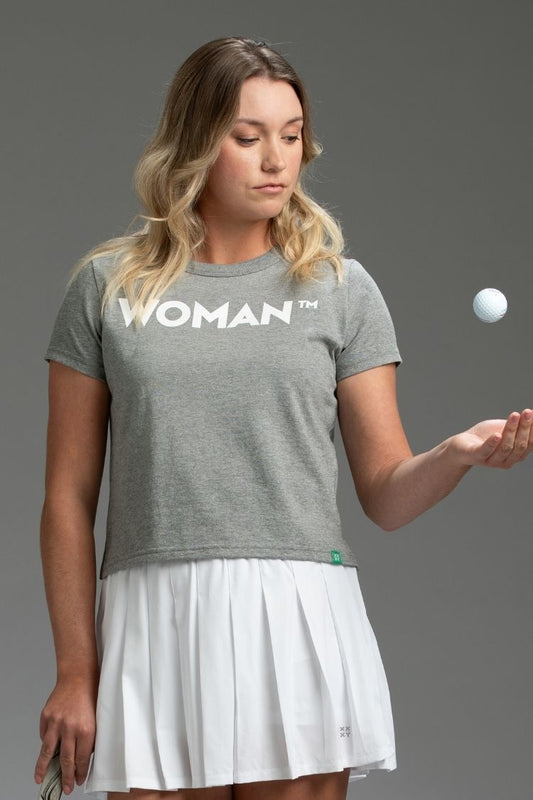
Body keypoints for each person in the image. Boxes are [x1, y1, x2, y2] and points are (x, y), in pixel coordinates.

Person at [34, 36, 532, 800]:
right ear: (196, 142)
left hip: (297, 609)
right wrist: (75, 670)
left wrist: (455, 455)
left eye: (291, 136)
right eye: (248, 137)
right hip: (153, 612)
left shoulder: (339, 289)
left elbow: (385, 493)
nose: (276, 159)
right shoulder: (107, 288)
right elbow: (67, 499)